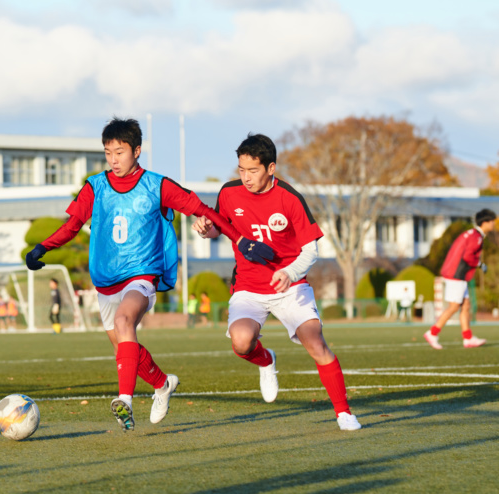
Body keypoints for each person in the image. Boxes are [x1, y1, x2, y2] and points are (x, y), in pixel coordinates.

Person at [25, 117, 272, 432]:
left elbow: (203, 210)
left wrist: (239, 239)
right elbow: (72, 226)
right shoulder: (94, 186)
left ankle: (125, 400)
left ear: (137, 151)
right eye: (108, 152)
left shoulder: (157, 185)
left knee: (124, 322)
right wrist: (42, 248)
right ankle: (162, 384)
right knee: (126, 348)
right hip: (104, 280)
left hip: (142, 273)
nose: (114, 159)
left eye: (120, 152)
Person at [192, 133, 361, 431]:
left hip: (290, 286)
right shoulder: (229, 193)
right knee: (242, 342)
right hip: (247, 286)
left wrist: (290, 273)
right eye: (241, 170)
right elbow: (221, 228)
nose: (245, 177)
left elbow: (311, 250)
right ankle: (266, 360)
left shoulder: (290, 198)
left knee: (315, 342)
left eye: (253, 170)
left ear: (271, 168)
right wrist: (206, 229)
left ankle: (344, 412)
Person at [424, 209, 496, 349]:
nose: (493, 224)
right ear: (485, 222)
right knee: (454, 307)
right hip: (456, 274)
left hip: (457, 273)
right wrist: (480, 264)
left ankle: (468, 338)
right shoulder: (476, 237)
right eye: (492, 221)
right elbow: (468, 257)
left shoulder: (472, 234)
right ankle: (432, 333)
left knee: (466, 305)